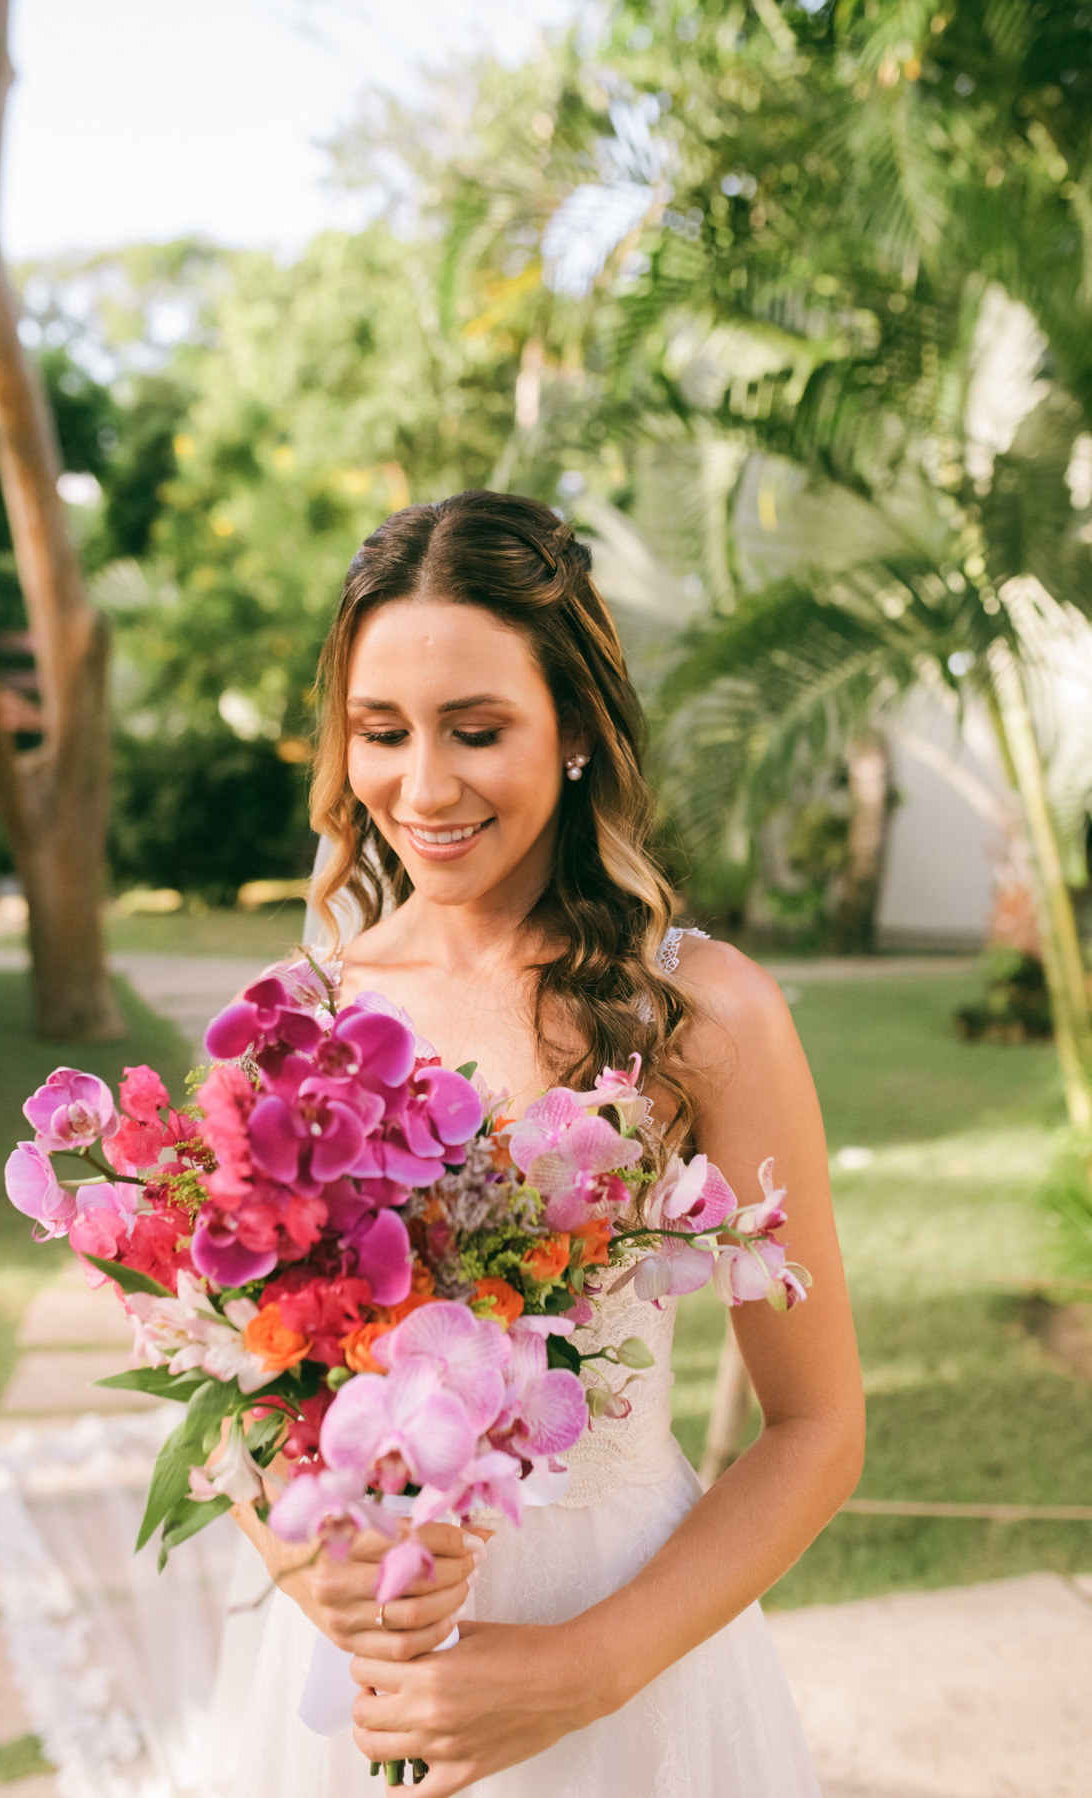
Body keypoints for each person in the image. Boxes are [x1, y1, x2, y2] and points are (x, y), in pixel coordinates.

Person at [229, 489, 865, 1797]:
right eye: (380, 731)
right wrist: (320, 1582)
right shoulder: (298, 1021)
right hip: (375, 1676)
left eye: (478, 730)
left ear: (574, 727)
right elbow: (240, 1397)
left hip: (632, 1659)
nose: (424, 785)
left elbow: (819, 1424)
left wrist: (587, 1667)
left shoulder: (700, 1015)